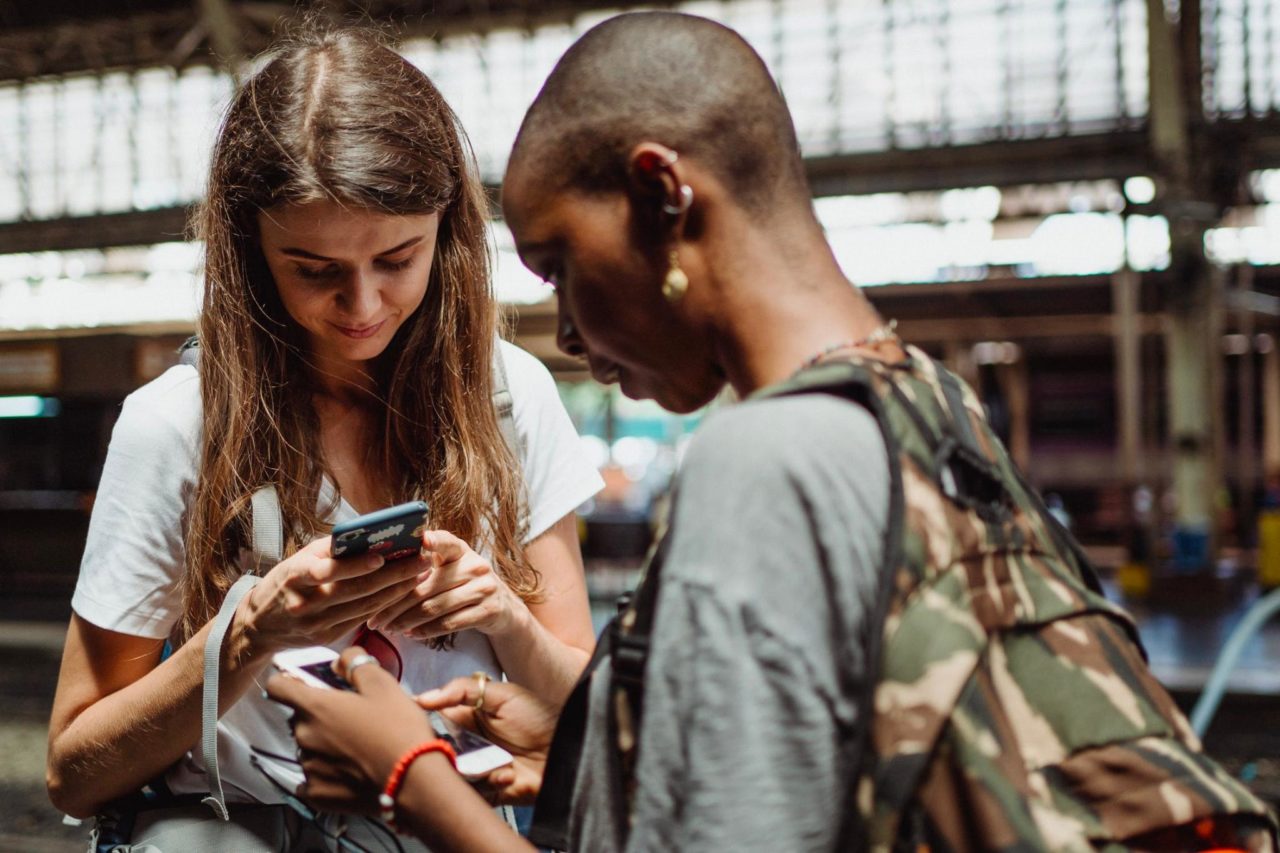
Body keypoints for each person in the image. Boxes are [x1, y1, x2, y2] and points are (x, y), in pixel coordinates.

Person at [267, 11, 1279, 853]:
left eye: (559, 265)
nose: (568, 333)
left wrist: (411, 777)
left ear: (664, 197)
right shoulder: (924, 406)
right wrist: (599, 745)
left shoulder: (762, 465)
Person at [45, 25, 602, 847]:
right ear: (250, 248)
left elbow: (581, 718)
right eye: (315, 269)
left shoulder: (512, 396)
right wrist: (250, 632)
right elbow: (74, 769)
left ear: (447, 232)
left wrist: (507, 619)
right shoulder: (175, 423)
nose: (364, 304)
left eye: (398, 258)